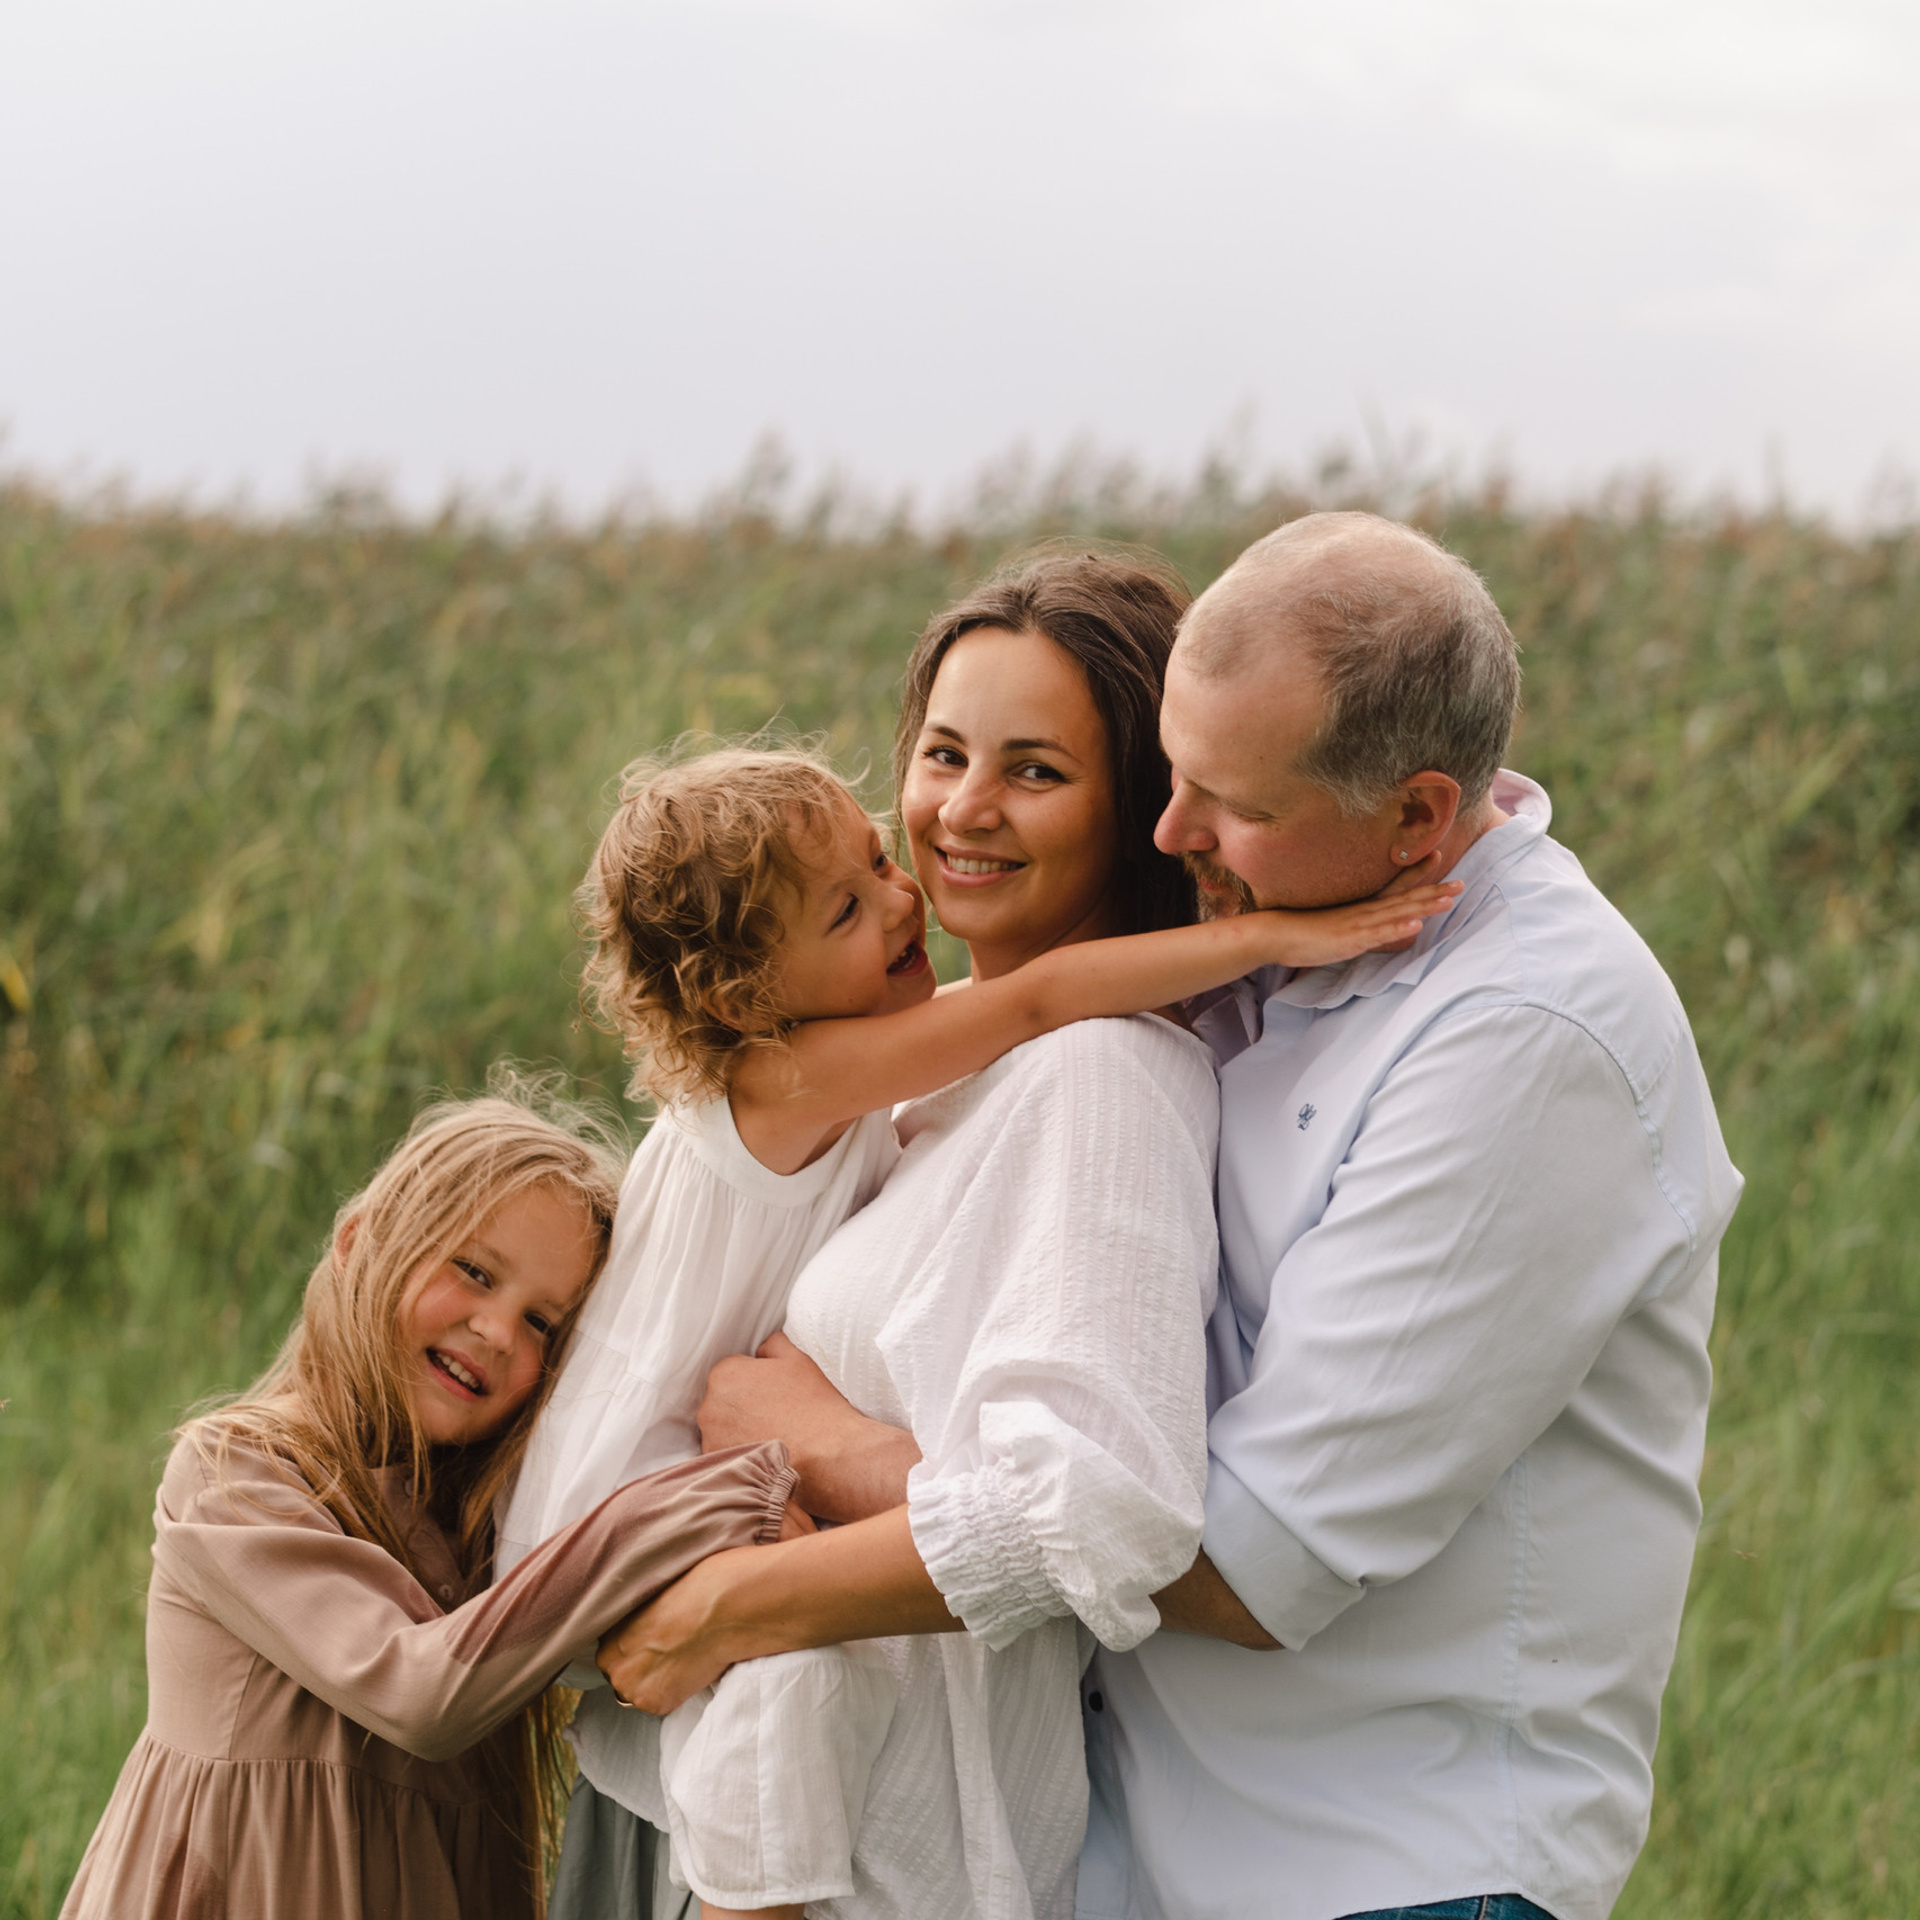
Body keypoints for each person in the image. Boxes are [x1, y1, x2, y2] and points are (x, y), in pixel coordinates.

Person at [507, 740, 1457, 1920]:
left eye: (872, 854)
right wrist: (1274, 940)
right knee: (790, 1672)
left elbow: (1034, 1008)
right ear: (750, 998)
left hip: (666, 1481)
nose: (905, 895)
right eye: (850, 908)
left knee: (787, 1659)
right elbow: (1038, 998)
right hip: (627, 1493)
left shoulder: (834, 1062)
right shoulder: (794, 1077)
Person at [1071, 512, 1745, 1920]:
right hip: (1149, 1849)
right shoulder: (1278, 929)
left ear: (1421, 815)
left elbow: (1259, 1564)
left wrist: (846, 1473)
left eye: (1231, 803)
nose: (1169, 831)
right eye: (1175, 773)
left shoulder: (1529, 1031)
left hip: (1391, 1867)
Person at [591, 547, 1271, 1920]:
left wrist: (785, 1506)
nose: (961, 810)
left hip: (864, 1864)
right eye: (945, 752)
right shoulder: (917, 1081)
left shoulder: (1100, 1080)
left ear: (1139, 807)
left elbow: (1097, 1510)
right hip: (722, 1794)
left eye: (1033, 769)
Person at [59, 1086, 801, 1920]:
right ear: (356, 1242)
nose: (496, 1331)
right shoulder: (237, 1477)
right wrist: (713, 1496)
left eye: (544, 1326)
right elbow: (419, 1692)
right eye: (474, 1273)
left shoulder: (493, 1533)